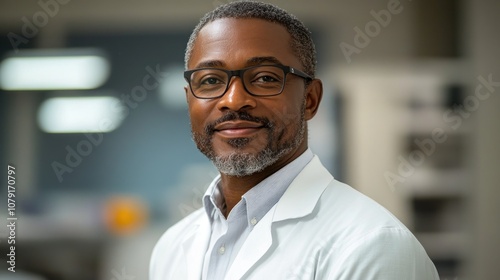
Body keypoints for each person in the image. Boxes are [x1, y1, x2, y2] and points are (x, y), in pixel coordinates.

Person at [150, 1, 440, 279]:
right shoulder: (172, 247)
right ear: (190, 101)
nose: (233, 100)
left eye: (264, 78)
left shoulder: (372, 245)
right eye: (211, 80)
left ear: (310, 100)